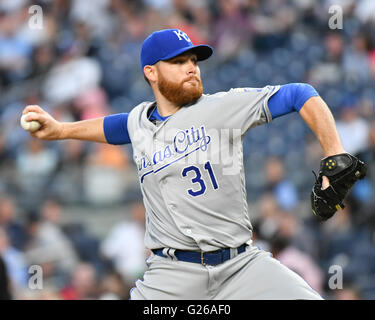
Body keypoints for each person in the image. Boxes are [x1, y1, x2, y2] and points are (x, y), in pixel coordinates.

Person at [21, 29, 361, 299]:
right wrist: (62, 130)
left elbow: (300, 93)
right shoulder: (139, 121)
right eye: (178, 61)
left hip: (241, 265)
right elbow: (115, 127)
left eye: (193, 60)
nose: (191, 67)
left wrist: (335, 153)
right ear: (151, 73)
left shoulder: (221, 107)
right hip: (171, 276)